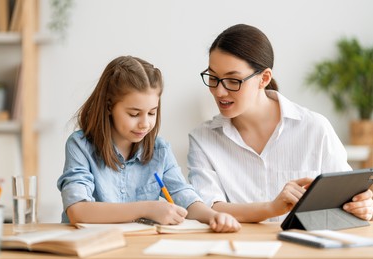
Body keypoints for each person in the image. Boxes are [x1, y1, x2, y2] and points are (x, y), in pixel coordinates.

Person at [187, 24, 373, 223]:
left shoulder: (315, 129)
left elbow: (344, 202)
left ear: (264, 78)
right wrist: (271, 208)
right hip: (237, 250)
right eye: (213, 78)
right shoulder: (203, 139)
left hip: (303, 252)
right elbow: (210, 209)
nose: (219, 92)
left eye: (233, 80)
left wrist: (360, 206)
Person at [57, 55, 241, 233]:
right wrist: (147, 209)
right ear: (109, 106)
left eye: (152, 113)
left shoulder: (159, 149)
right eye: (134, 114)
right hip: (89, 249)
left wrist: (212, 216)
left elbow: (183, 194)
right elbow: (77, 211)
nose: (145, 124)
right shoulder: (80, 146)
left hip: (139, 248)